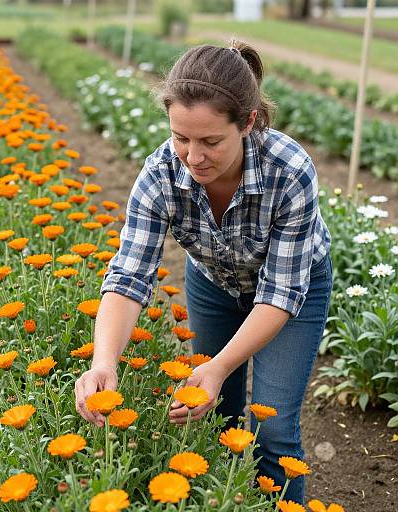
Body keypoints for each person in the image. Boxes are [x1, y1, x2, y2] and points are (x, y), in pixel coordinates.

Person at [74, 41, 332, 504]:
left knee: (271, 427)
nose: (193, 156)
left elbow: (278, 294)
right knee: (216, 416)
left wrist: (220, 365)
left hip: (292, 294)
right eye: (180, 137)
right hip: (214, 284)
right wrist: (104, 361)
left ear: (248, 122)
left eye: (211, 141)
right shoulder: (159, 176)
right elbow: (129, 277)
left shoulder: (289, 171)